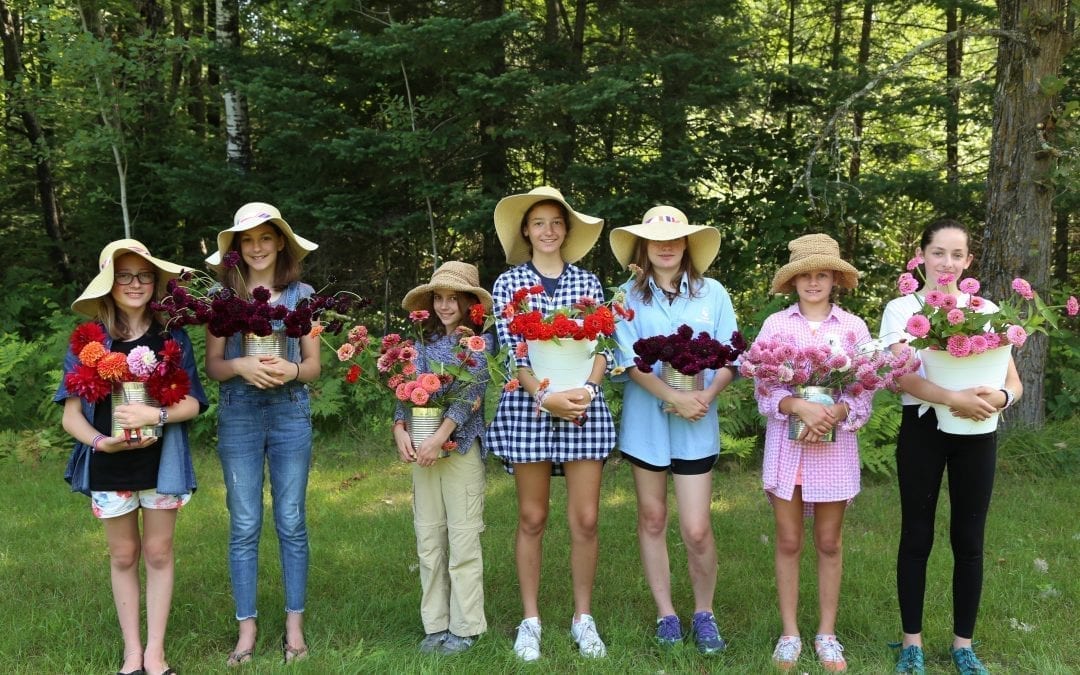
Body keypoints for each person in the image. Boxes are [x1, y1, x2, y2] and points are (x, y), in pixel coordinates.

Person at [56, 239, 208, 675]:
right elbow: (71, 416)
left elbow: (193, 403)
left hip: (162, 463)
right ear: (109, 283)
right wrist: (100, 442)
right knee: (123, 555)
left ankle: (155, 654)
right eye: (124, 275)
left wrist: (155, 415)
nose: (135, 283)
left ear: (155, 282)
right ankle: (132, 654)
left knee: (158, 552)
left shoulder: (171, 337)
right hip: (110, 464)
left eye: (144, 275)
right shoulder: (88, 341)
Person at [880, 219, 1021, 675]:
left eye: (957, 255)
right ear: (921, 255)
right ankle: (912, 644)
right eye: (938, 252)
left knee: (969, 538)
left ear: (968, 261)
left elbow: (1012, 380)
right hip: (923, 427)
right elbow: (901, 375)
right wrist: (951, 397)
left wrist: (1001, 398)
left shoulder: (987, 310)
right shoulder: (902, 309)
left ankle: (964, 644)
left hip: (978, 431)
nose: (947, 263)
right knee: (916, 534)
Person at [486, 186, 615, 661]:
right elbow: (513, 351)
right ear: (526, 230)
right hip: (530, 407)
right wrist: (544, 397)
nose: (548, 230)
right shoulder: (508, 284)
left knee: (586, 519)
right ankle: (531, 620)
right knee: (532, 517)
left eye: (556, 222)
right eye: (538, 222)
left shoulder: (588, 282)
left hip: (583, 407)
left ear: (566, 230)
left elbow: (604, 345)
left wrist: (589, 391)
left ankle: (584, 618)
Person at [608, 206, 736, 654]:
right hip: (647, 425)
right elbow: (627, 361)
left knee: (697, 528)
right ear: (643, 247)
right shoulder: (625, 297)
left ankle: (704, 613)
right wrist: (674, 396)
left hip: (697, 422)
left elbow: (730, 356)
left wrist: (706, 395)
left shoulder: (712, 293)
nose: (666, 247)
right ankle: (666, 614)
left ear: (687, 244)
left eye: (675, 238)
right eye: (656, 240)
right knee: (652, 518)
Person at [204, 202, 321, 666]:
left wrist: (291, 370)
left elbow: (313, 366)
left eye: (265, 238)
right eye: (247, 240)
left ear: (280, 244)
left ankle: (294, 625)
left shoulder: (302, 295)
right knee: (244, 523)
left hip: (290, 412)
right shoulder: (222, 297)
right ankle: (247, 629)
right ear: (236, 249)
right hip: (240, 414)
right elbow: (214, 366)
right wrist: (241, 365)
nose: (257, 247)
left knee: (291, 519)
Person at [753, 234, 872, 672]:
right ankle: (789, 634)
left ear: (835, 279)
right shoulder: (776, 326)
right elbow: (763, 388)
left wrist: (837, 411)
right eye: (805, 275)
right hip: (788, 449)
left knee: (829, 541)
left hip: (834, 450)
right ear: (793, 281)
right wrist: (796, 405)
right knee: (788, 540)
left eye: (823, 274)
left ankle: (826, 633)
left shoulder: (853, 328)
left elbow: (865, 391)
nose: (814, 282)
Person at [393, 261, 493, 655]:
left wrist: (441, 437)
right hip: (423, 452)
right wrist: (400, 428)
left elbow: (471, 396)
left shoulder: (479, 343)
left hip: (460, 447)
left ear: (470, 303)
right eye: (439, 297)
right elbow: (404, 389)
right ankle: (435, 624)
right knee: (429, 537)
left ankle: (466, 626)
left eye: (454, 298)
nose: (445, 305)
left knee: (463, 537)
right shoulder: (420, 342)